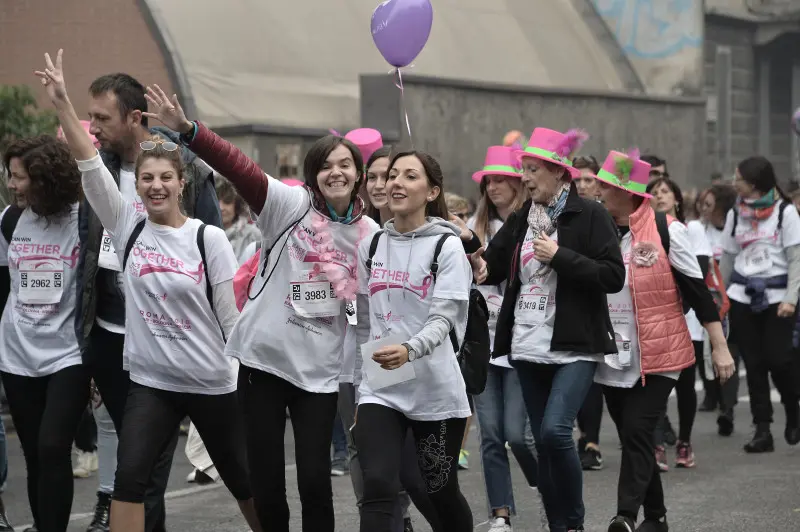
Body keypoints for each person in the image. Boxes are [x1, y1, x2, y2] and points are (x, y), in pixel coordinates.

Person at [38, 49, 261, 532]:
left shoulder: (209, 239)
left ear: (182, 183)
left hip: (210, 381)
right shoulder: (126, 226)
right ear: (135, 186)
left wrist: (251, 380)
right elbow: (89, 164)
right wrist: (60, 103)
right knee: (129, 480)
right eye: (146, 179)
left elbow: (231, 322)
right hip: (152, 383)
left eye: (165, 179)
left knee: (242, 479)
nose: (155, 186)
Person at [150, 88, 380, 532]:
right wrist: (189, 131)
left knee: (315, 481)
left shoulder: (370, 234)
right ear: (313, 176)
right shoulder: (288, 207)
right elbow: (238, 165)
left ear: (359, 174)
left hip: (319, 372)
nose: (336, 172)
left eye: (345, 164)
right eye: (326, 165)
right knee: (268, 481)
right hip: (263, 363)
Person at [75, 68, 222, 530]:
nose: (93, 127)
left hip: (170, 341)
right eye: (90, 117)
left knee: (146, 466)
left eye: (102, 118)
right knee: (138, 460)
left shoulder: (187, 169)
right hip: (108, 338)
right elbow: (87, 251)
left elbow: (213, 247)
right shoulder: (98, 172)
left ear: (134, 117)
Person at [472, 128, 626, 532]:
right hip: (527, 344)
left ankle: (573, 521)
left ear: (559, 172)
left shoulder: (589, 214)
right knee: (540, 441)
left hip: (574, 346)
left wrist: (561, 256)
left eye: (532, 169)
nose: (524, 177)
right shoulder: (525, 217)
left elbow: (612, 276)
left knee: (556, 432)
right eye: (523, 169)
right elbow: (492, 265)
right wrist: (473, 257)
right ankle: (558, 524)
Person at [592, 149, 734, 532]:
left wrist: (718, 346)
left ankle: (625, 515)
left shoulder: (667, 229)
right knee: (632, 437)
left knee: (639, 430)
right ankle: (657, 518)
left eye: (606, 186)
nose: (600, 192)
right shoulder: (598, 228)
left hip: (660, 351)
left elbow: (698, 290)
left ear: (628, 192)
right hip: (613, 354)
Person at [354, 150, 474, 532]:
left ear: (431, 190)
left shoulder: (447, 247)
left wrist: (409, 350)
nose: (396, 183)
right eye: (392, 175)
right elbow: (364, 318)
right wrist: (362, 379)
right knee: (377, 482)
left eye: (410, 176)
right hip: (381, 383)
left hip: (434, 385)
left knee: (437, 489)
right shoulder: (371, 245)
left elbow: (445, 319)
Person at [0, 134, 87, 532]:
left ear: (45, 179)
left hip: (66, 355)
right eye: (10, 175)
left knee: (53, 447)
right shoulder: (10, 220)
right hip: (17, 355)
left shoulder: (83, 220)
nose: (11, 185)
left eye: (19, 178)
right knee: (35, 455)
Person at [468, 146, 544, 532]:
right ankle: (501, 512)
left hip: (520, 343)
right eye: (488, 181)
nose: (493, 186)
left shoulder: (535, 224)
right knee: (491, 436)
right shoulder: (473, 227)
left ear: (518, 182)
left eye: (501, 179)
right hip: (482, 346)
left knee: (517, 433)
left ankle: (550, 489)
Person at [720, 156, 800, 453]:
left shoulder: (785, 213)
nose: (733, 181)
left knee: (779, 361)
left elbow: (796, 260)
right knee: (753, 365)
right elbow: (727, 259)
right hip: (743, 297)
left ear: (753, 184)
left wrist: (792, 298)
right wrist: (720, 297)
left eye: (738, 177)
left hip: (778, 299)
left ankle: (793, 409)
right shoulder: (735, 213)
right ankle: (762, 429)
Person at [647, 177, 713, 470]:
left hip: (688, 319)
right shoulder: (645, 231)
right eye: (654, 192)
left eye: (665, 192)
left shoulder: (690, 229)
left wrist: (678, 306)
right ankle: (657, 442)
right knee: (657, 382)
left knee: (685, 383)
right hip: (658, 321)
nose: (659, 196)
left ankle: (684, 442)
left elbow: (698, 274)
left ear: (676, 199)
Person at [571, 154, 606, 470]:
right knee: (586, 377)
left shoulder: (607, 216)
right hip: (576, 307)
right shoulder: (565, 216)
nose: (581, 185)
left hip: (612, 303)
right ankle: (588, 439)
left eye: (588, 180)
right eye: (577, 179)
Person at [699, 184, 740, 432]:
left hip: (740, 298)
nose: (704, 210)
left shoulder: (738, 230)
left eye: (709, 205)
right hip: (714, 302)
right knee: (723, 351)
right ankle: (726, 407)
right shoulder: (699, 231)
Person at [218, 178, 261, 263]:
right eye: (216, 201)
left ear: (237, 204)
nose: (221, 208)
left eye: (227, 201)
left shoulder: (253, 234)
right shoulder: (204, 234)